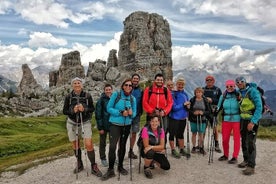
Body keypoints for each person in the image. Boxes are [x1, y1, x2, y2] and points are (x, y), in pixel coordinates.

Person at [63, 77, 102, 177]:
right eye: (75, 83)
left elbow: (92, 108)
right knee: (75, 144)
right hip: (72, 123)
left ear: (82, 85)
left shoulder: (87, 95)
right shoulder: (68, 96)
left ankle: (93, 165)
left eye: (79, 83)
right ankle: (79, 163)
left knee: (88, 144)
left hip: (85, 122)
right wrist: (73, 111)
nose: (77, 85)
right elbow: (65, 111)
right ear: (72, 85)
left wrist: (84, 109)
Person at [101, 79, 137, 181]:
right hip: (115, 124)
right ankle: (110, 170)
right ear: (122, 86)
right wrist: (120, 112)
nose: (128, 87)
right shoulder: (116, 95)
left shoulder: (132, 99)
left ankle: (120, 166)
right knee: (112, 146)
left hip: (127, 125)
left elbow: (134, 112)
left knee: (122, 146)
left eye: (130, 85)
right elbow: (109, 108)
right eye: (126, 85)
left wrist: (131, 113)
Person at [235, 76, 262, 175]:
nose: (239, 83)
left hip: (251, 120)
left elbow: (259, 107)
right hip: (243, 120)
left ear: (245, 82)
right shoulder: (240, 93)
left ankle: (251, 166)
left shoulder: (252, 92)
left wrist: (253, 122)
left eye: (241, 81)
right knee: (244, 141)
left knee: (251, 143)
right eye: (237, 82)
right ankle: (246, 160)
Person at [142, 73, 173, 148]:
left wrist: (165, 111)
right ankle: (150, 149)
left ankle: (162, 148)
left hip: (163, 115)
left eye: (161, 80)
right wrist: (152, 111)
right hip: (151, 115)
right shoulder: (149, 89)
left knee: (163, 132)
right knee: (150, 132)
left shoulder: (166, 90)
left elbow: (170, 102)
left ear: (163, 81)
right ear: (155, 80)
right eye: (158, 80)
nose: (160, 81)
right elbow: (144, 102)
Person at [215, 80, 241, 164]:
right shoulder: (223, 96)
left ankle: (235, 157)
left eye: (231, 86)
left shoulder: (238, 95)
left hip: (237, 119)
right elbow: (219, 106)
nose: (229, 88)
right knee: (225, 139)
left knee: (236, 139)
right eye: (227, 86)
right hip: (226, 120)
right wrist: (215, 111)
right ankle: (225, 155)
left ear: (234, 86)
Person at [140, 114, 170, 179]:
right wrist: (159, 149)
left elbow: (162, 146)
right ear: (150, 122)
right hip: (145, 151)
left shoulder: (161, 130)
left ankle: (152, 161)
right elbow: (146, 146)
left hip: (155, 150)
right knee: (150, 152)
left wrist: (152, 147)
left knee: (166, 166)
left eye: (156, 121)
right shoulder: (145, 129)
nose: (154, 123)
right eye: (152, 121)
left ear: (159, 122)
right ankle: (146, 167)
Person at [168, 78, 190, 158]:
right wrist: (184, 105)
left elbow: (187, 105)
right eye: (179, 84)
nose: (180, 86)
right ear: (176, 85)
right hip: (174, 117)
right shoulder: (173, 94)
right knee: (172, 134)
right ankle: (173, 150)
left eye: (182, 84)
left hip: (183, 118)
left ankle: (181, 149)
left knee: (180, 134)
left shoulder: (185, 94)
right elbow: (173, 108)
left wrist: (188, 107)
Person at [187, 87, 212, 155]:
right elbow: (189, 110)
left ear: (202, 93)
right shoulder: (192, 100)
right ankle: (194, 147)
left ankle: (201, 147)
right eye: (197, 92)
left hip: (203, 119)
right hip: (193, 119)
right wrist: (193, 112)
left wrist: (203, 113)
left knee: (201, 134)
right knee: (194, 133)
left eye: (200, 92)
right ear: (195, 93)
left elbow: (209, 111)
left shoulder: (205, 100)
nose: (198, 93)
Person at [203, 75, 222, 153]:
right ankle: (201, 144)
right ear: (206, 81)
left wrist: (212, 100)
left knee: (214, 127)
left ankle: (216, 144)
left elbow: (220, 101)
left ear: (213, 81)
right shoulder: (203, 89)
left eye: (211, 80)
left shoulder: (217, 90)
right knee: (203, 127)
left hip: (214, 111)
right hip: (205, 111)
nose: (209, 81)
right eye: (207, 80)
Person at [95, 84, 113, 167]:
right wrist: (100, 127)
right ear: (104, 90)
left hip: (113, 125)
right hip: (104, 125)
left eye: (109, 89)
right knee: (103, 143)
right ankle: (103, 158)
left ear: (112, 90)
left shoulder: (114, 99)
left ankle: (112, 157)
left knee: (113, 143)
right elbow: (98, 115)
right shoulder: (101, 100)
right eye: (107, 90)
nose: (108, 91)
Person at [128, 74, 143, 159]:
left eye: (137, 79)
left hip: (136, 116)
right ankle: (120, 151)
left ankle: (130, 150)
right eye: (134, 78)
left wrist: (140, 112)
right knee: (124, 134)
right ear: (132, 79)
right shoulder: (127, 88)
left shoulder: (140, 90)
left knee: (134, 133)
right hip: (126, 115)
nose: (136, 80)